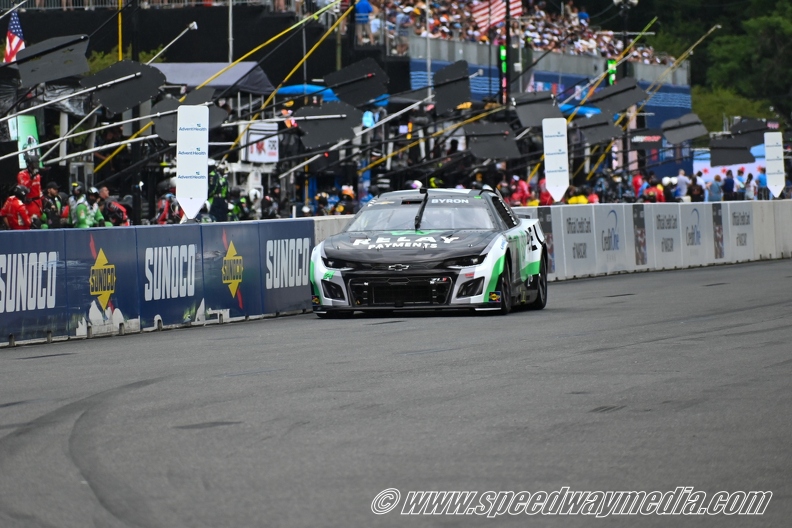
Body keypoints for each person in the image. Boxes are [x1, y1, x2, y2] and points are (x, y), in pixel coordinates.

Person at [17, 153, 43, 218]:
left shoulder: (38, 175)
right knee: (33, 221)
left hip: (38, 202)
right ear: (29, 164)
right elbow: (24, 188)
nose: (35, 166)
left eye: (37, 164)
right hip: (29, 203)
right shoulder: (22, 174)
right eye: (34, 164)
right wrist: (31, 178)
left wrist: (43, 198)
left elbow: (39, 188)